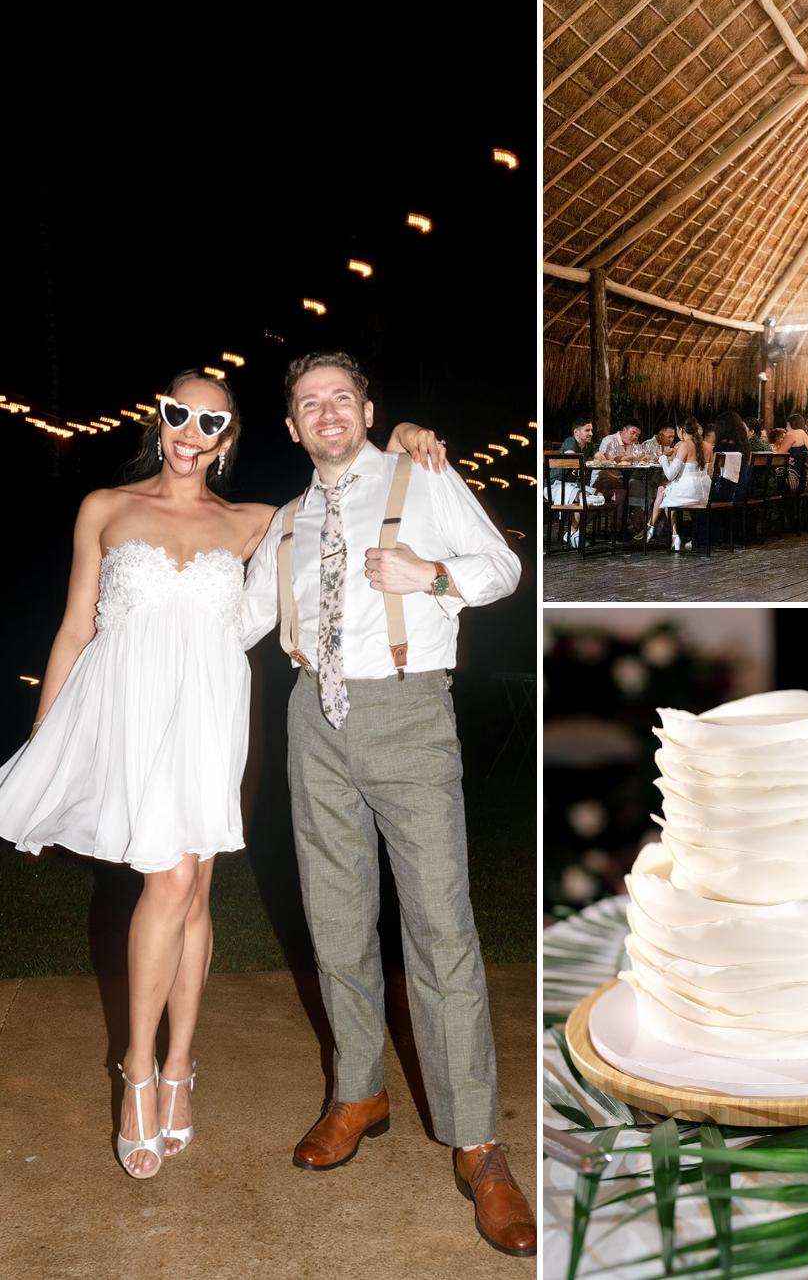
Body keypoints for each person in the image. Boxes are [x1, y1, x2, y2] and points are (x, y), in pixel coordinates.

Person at [0, 367, 440, 1180]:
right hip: (129, 712)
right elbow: (72, 631)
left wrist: (406, 440)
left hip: (209, 713)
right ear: (158, 418)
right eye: (178, 413)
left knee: (195, 887)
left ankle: (180, 1067)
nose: (189, 432)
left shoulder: (258, 522)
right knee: (168, 883)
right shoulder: (104, 507)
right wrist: (45, 740)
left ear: (229, 437)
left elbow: (340, 503)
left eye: (210, 421)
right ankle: (139, 1071)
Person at [239, 351, 534, 1257]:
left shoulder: (423, 474)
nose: (326, 413)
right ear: (290, 428)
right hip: (311, 719)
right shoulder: (287, 521)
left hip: (409, 711)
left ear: (367, 409)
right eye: (307, 404)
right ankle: (358, 1091)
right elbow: (237, 623)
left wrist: (430, 578)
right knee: (335, 921)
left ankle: (478, 1143)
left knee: (441, 929)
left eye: (340, 398)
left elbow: (503, 568)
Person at [639, 417, 711, 551]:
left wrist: (663, 459)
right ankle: (660, 530)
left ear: (680, 430)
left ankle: (670, 534)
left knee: (665, 494)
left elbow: (670, 474)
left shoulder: (685, 445)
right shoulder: (707, 446)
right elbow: (709, 472)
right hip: (706, 493)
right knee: (664, 489)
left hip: (690, 492)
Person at [708, 410, 752, 503]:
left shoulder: (720, 448)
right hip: (743, 491)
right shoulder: (744, 447)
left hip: (724, 495)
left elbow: (711, 473)